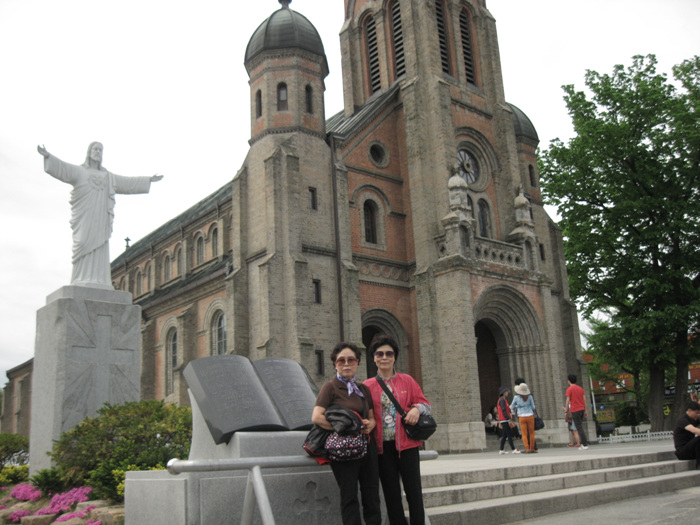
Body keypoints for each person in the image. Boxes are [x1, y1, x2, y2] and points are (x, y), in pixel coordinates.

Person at [38, 142, 163, 288]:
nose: (98, 152)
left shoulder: (108, 177)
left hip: (101, 219)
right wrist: (48, 156)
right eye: (95, 149)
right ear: (89, 152)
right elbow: (63, 168)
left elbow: (127, 183)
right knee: (82, 242)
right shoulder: (80, 171)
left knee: (100, 246)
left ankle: (99, 279)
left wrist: (148, 180)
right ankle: (80, 278)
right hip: (85, 217)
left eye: (100, 150)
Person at [364, 335, 431, 525]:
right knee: (392, 495)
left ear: (394, 357)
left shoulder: (407, 380)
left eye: (389, 353)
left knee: (414, 493)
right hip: (382, 448)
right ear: (374, 358)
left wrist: (416, 409)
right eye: (379, 354)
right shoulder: (367, 385)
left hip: (407, 446)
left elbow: (426, 404)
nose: (384, 357)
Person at [312, 342, 381, 525]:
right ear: (335, 364)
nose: (346, 364)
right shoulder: (330, 387)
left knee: (372, 496)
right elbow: (317, 417)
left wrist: (369, 425)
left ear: (357, 362)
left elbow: (372, 418)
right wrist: (346, 428)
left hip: (367, 448)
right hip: (343, 450)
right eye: (341, 360)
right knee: (349, 497)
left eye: (351, 359)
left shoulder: (363, 389)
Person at [563, 374, 589, 450]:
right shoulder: (580, 389)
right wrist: (585, 410)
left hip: (575, 410)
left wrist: (566, 410)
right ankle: (583, 444)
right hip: (582, 409)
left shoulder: (569, 389)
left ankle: (584, 444)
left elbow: (567, 400)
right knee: (580, 426)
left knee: (579, 427)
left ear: (569, 381)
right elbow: (584, 400)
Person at [511, 383, 536, 453]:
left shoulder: (516, 397)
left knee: (524, 433)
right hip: (530, 415)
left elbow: (512, 407)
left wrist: (516, 408)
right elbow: (533, 407)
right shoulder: (530, 397)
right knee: (531, 433)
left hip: (521, 416)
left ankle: (527, 448)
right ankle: (532, 448)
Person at [673, 401, 700, 468]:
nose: (698, 415)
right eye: (696, 413)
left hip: (691, 449)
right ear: (689, 410)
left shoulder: (694, 419)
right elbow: (694, 430)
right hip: (682, 452)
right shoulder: (682, 420)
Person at [497, 386, 520, 454]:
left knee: (505, 435)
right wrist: (508, 419)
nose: (507, 393)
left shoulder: (504, 400)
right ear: (503, 393)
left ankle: (501, 449)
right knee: (509, 434)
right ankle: (513, 449)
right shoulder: (502, 400)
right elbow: (503, 410)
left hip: (504, 419)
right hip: (504, 419)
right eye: (506, 392)